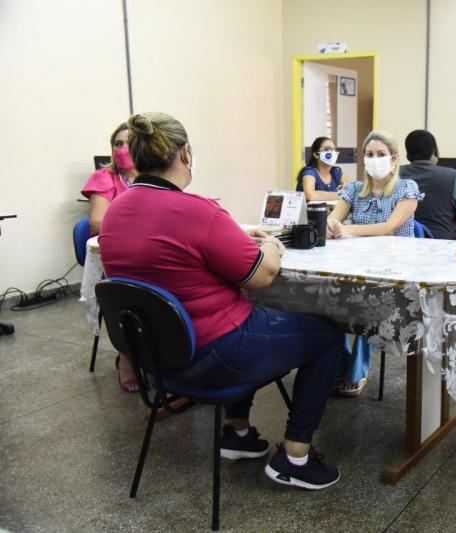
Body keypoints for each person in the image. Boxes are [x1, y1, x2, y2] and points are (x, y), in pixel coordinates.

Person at [100, 112, 345, 490]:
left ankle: (239, 434)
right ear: (186, 154)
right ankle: (296, 457)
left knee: (247, 315)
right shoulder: (198, 210)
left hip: (160, 362)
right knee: (326, 335)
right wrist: (270, 245)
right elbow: (262, 277)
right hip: (216, 356)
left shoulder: (116, 211)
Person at [327, 130, 424, 396]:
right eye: (369, 155)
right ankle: (340, 364)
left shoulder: (407, 189)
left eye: (381, 155)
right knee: (324, 304)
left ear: (394, 159)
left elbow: (390, 227)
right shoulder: (354, 189)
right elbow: (334, 219)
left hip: (393, 271)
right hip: (355, 265)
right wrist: (332, 226)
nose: (375, 159)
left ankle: (356, 370)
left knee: (363, 304)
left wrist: (348, 230)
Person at [80, 122, 140, 392]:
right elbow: (97, 222)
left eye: (129, 143)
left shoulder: (152, 177)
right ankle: (126, 357)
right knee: (134, 289)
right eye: (117, 143)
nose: (122, 148)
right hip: (114, 256)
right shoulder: (104, 177)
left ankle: (167, 350)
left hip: (146, 251)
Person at [399, 130, 456, 239]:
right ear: (435, 151)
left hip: (401, 244)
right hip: (439, 245)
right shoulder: (452, 177)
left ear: (408, 155)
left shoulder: (394, 176)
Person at [296, 137, 350, 202]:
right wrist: (341, 194)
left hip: (331, 211)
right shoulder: (309, 172)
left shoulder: (335, 172)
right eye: (327, 149)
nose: (332, 152)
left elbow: (350, 189)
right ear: (316, 154)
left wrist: (346, 186)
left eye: (334, 149)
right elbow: (310, 196)